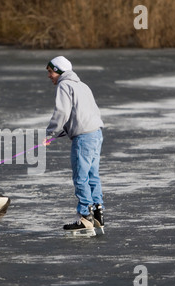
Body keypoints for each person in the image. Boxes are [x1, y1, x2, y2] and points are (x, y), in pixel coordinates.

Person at [43, 56, 105, 236]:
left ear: (60, 71)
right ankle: (98, 213)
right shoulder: (82, 85)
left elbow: (62, 112)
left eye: (51, 71)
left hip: (84, 138)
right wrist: (66, 131)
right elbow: (83, 113)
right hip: (96, 134)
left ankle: (85, 217)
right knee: (92, 175)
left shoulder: (65, 85)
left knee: (81, 177)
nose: (49, 76)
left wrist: (50, 134)